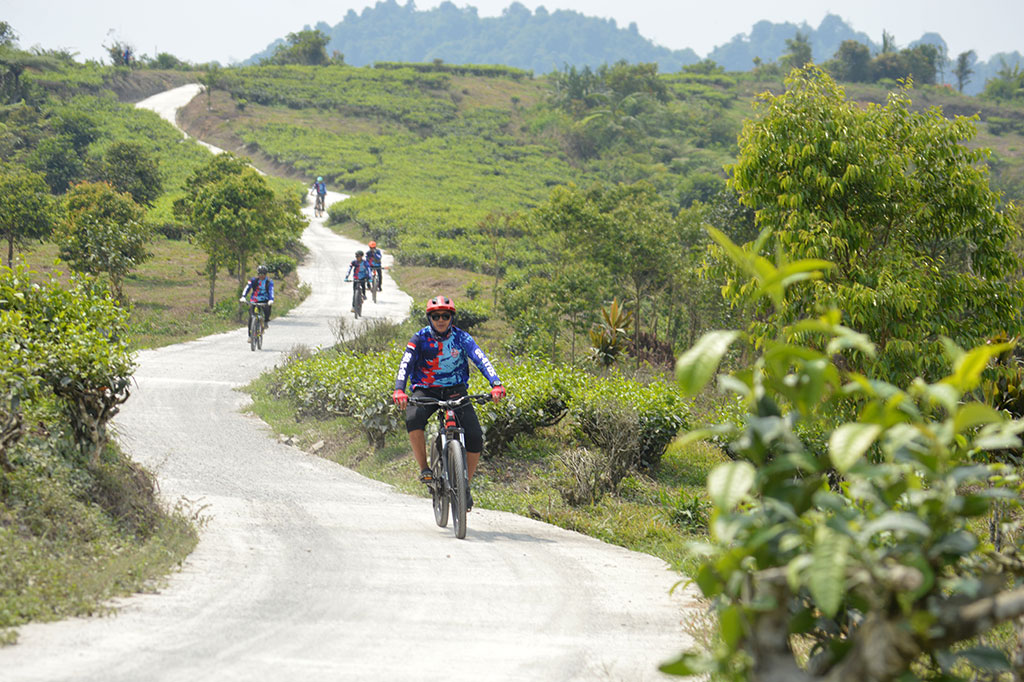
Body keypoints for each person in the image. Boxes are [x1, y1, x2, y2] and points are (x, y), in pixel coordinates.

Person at [392, 296, 505, 510]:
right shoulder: (419, 339)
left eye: (445, 316)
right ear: (429, 318)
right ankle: (425, 469)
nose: (441, 320)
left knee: (474, 437)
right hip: (426, 390)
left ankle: (465, 487)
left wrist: (496, 384)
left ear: (451, 317)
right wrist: (399, 389)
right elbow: (405, 364)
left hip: (455, 390)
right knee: (413, 417)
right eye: (436, 316)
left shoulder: (462, 338)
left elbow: (480, 358)